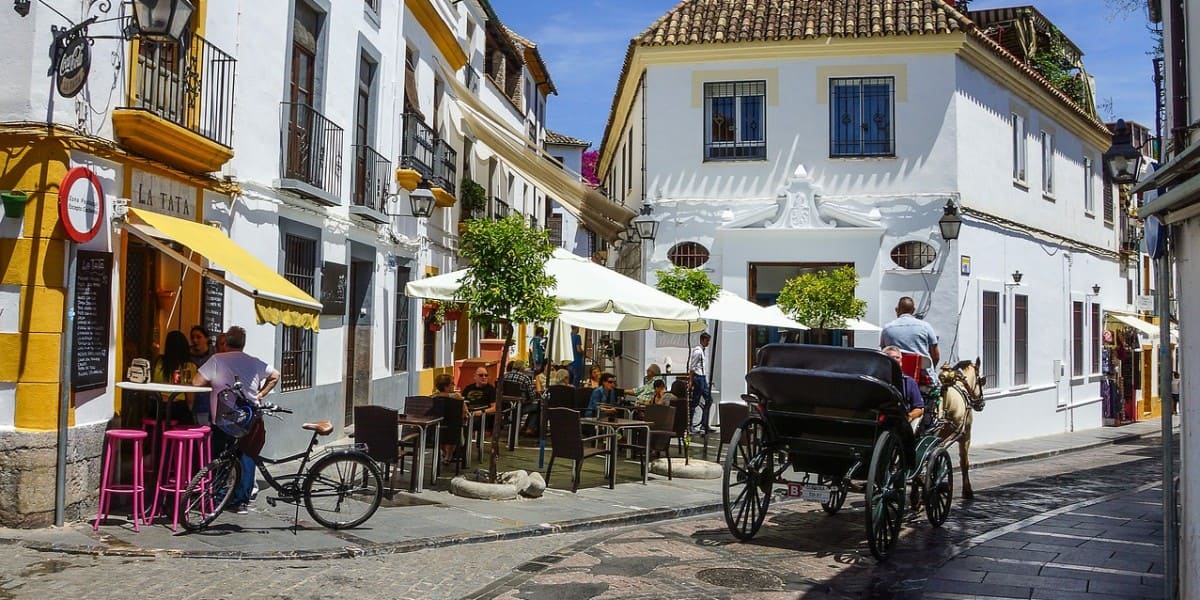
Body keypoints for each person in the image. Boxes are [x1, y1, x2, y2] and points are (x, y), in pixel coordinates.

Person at [192, 326, 280, 515]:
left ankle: (219, 496)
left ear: (226, 343)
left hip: (223, 419)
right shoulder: (253, 361)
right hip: (249, 417)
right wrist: (260, 394)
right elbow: (275, 375)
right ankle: (241, 502)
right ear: (243, 344)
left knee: (221, 456)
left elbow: (196, 382)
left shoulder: (217, 360)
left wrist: (215, 381)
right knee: (246, 456)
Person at [880, 297, 940, 377]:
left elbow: (884, 351)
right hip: (922, 374)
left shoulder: (887, 328)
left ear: (897, 309)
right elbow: (935, 355)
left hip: (895, 374)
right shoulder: (926, 326)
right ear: (913, 310)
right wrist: (932, 369)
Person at [154, 330, 197, 425]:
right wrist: (190, 409)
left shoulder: (158, 362)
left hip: (156, 408)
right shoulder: (189, 366)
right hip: (177, 408)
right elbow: (190, 398)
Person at [883, 346, 925, 428]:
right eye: (891, 357)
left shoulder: (909, 382)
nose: (895, 360)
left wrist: (910, 416)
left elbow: (919, 408)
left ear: (901, 362)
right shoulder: (876, 380)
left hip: (900, 422)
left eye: (897, 357)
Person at [432, 373, 464, 465]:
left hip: (437, 430)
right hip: (454, 431)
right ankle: (449, 454)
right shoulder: (457, 397)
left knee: (444, 429)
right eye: (452, 383)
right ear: (446, 387)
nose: (454, 385)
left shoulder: (434, 398)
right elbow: (464, 412)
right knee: (454, 426)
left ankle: (445, 453)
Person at [501, 360, 537, 436]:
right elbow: (532, 396)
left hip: (506, 406)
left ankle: (523, 428)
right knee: (537, 406)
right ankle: (529, 429)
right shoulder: (525, 378)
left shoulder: (504, 376)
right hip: (520, 406)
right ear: (522, 368)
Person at [462, 367, 497, 442]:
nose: (484, 377)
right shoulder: (468, 388)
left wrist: (481, 412)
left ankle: (466, 444)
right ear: (475, 376)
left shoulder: (491, 389)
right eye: (481, 375)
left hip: (481, 414)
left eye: (486, 375)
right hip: (467, 412)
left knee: (469, 422)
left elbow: (495, 408)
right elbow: (462, 401)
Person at [688, 332, 714, 433]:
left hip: (702, 378)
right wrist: (691, 380)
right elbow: (692, 367)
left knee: (709, 400)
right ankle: (690, 424)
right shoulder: (697, 352)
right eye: (707, 341)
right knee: (695, 401)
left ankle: (704, 424)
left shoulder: (702, 351)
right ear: (703, 340)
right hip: (698, 378)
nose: (708, 343)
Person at [188, 326, 213, 425]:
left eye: (198, 337)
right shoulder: (187, 355)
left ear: (207, 338)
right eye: (192, 337)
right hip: (191, 396)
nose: (195, 340)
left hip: (208, 398)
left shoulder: (214, 355)